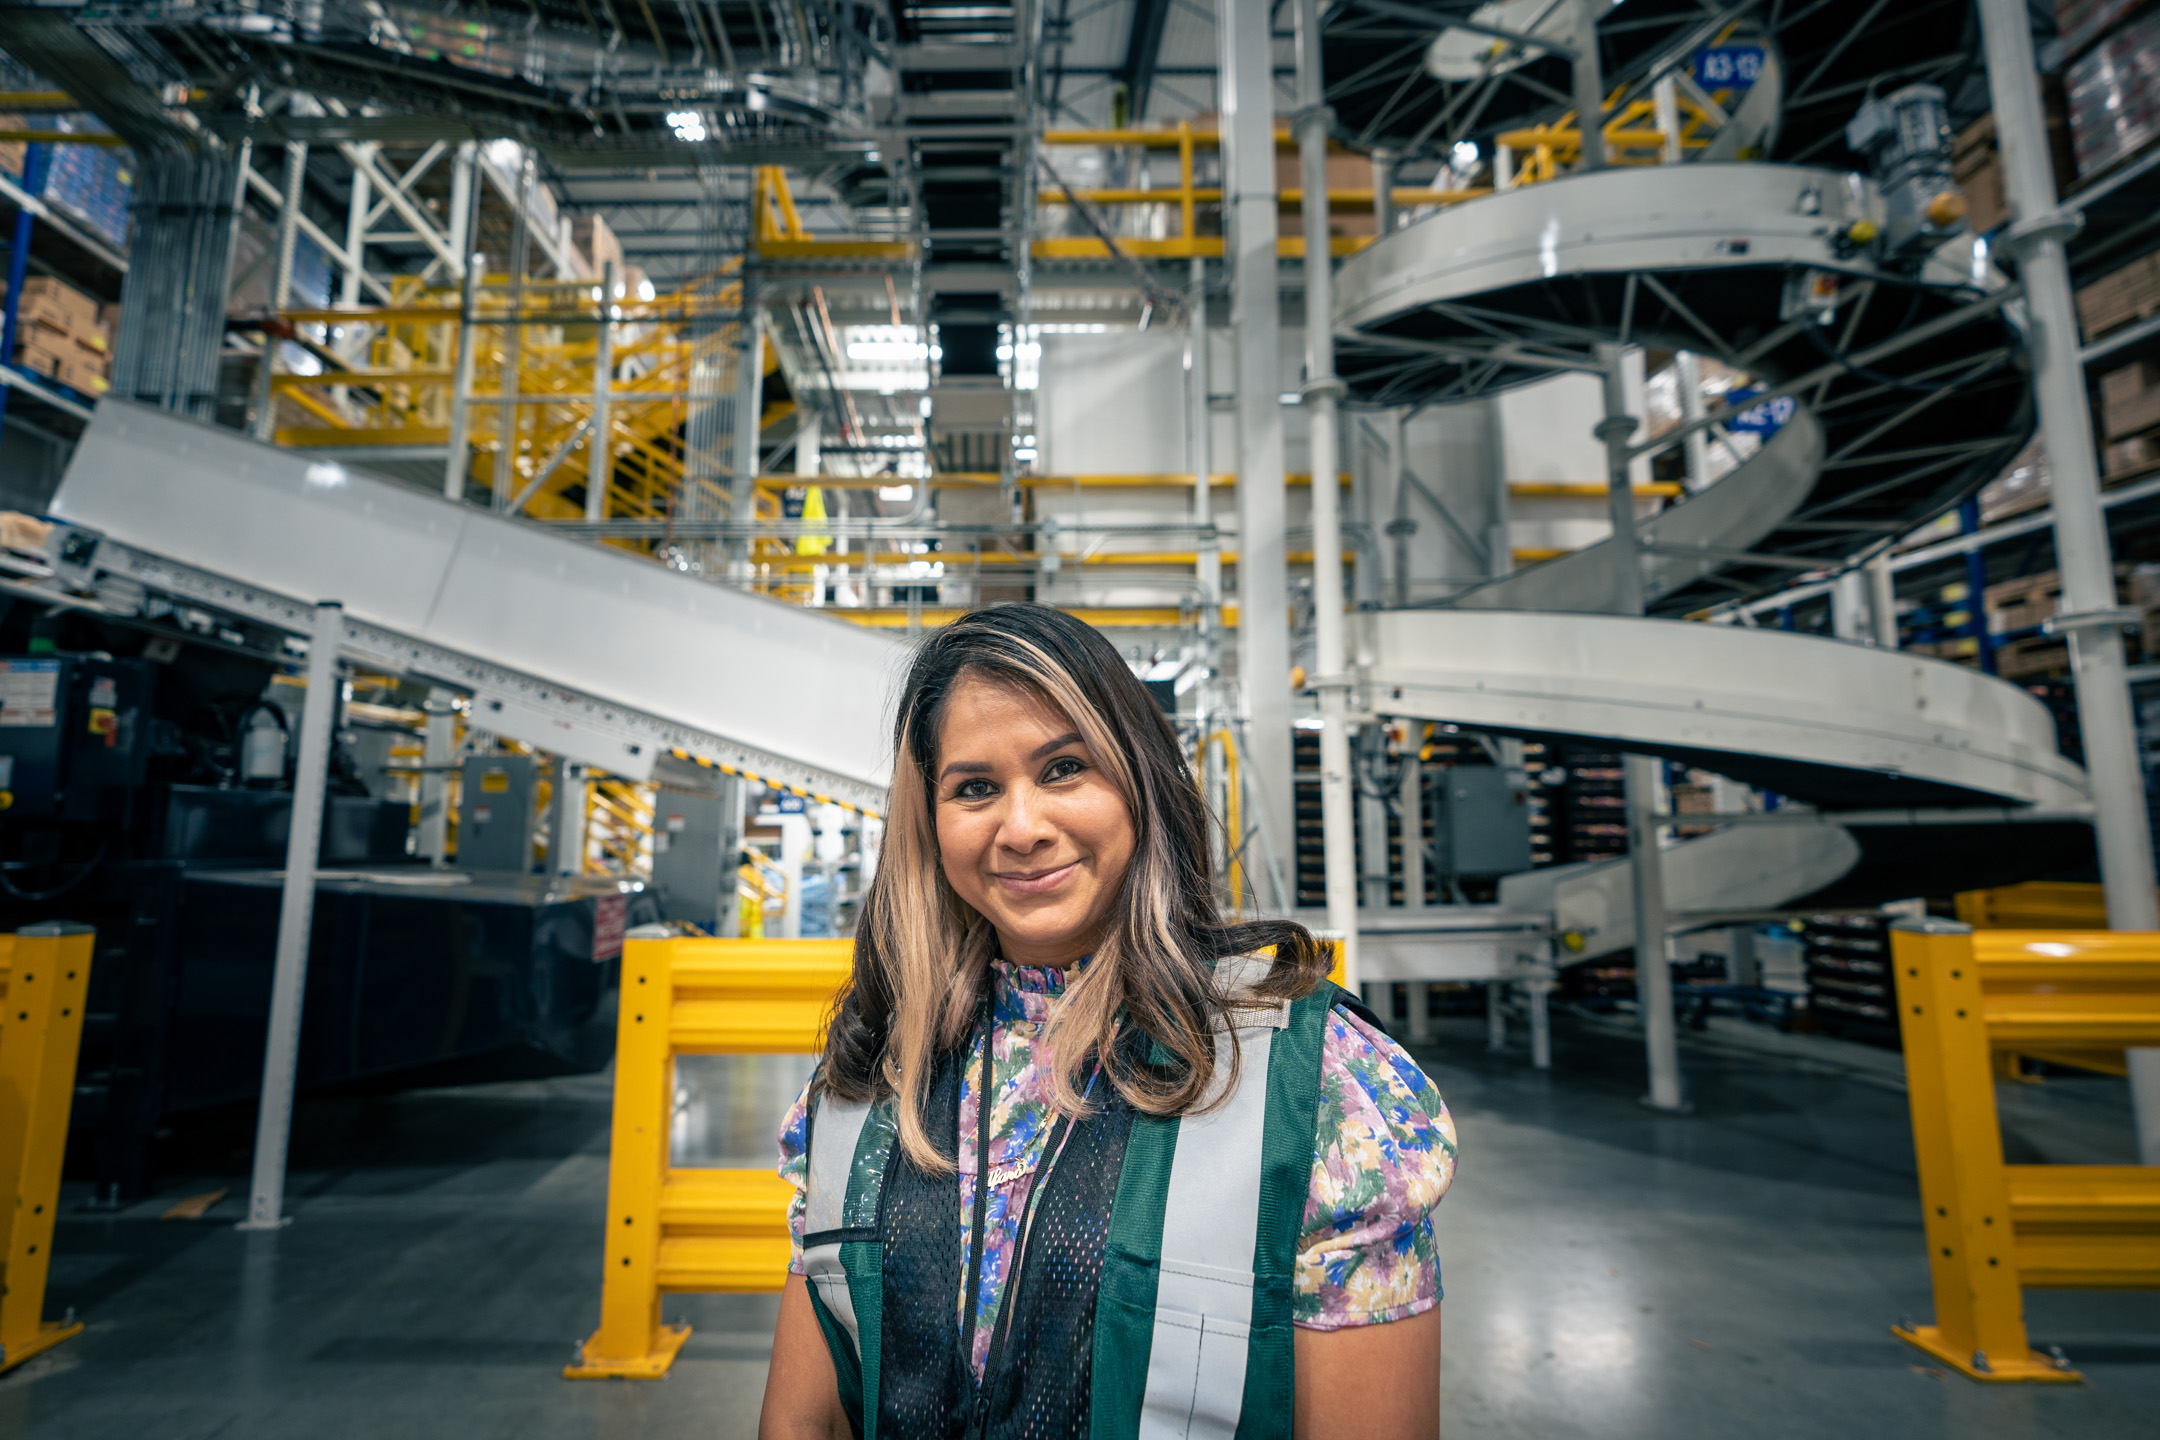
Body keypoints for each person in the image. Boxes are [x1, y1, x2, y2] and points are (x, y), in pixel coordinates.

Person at [758, 604, 1456, 1440]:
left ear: (1141, 783)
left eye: (1064, 768)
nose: (1022, 828)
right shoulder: (871, 1079)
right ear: (930, 824)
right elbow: (802, 1423)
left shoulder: (1315, 1084)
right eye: (975, 787)